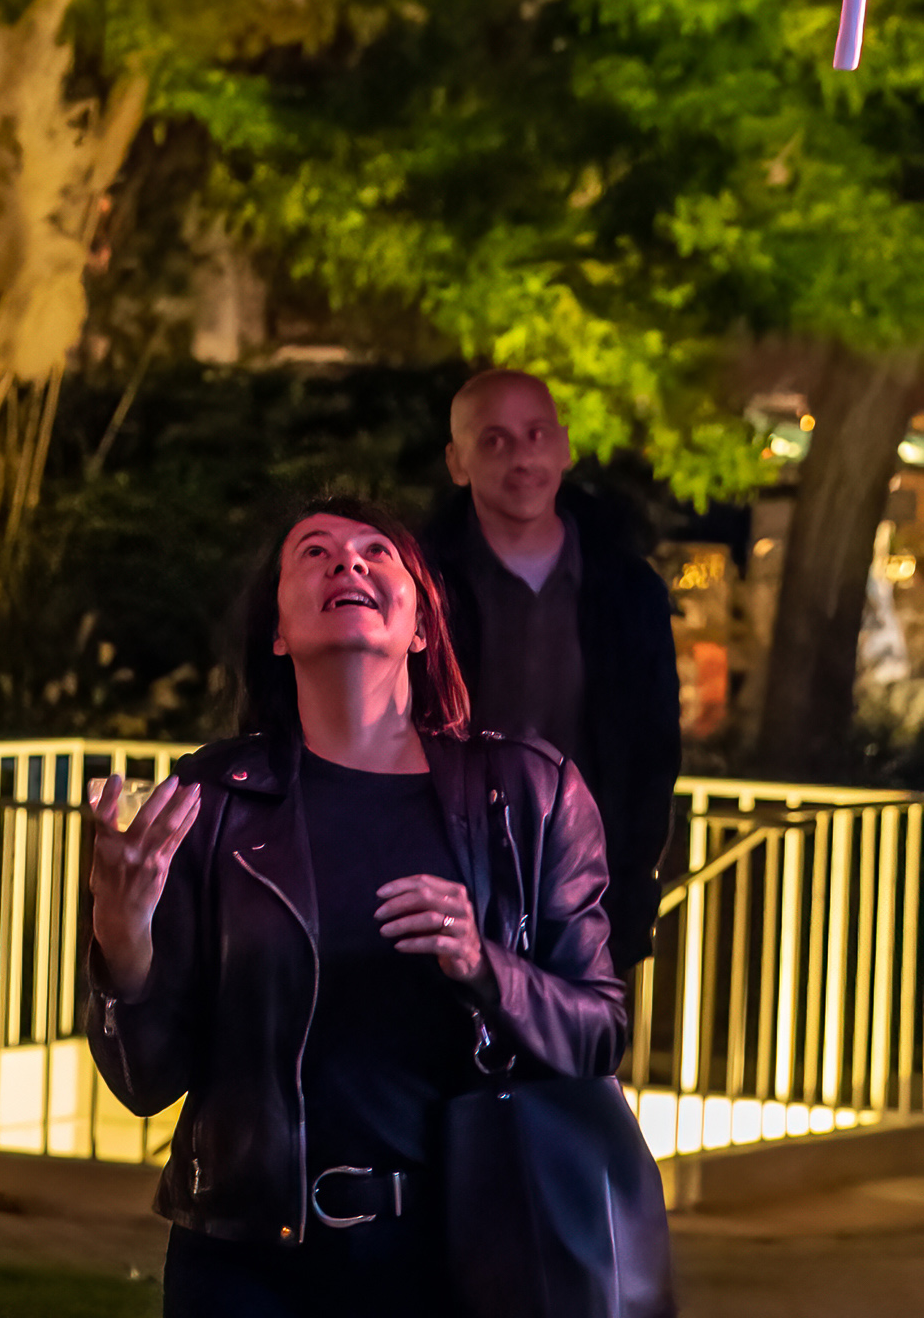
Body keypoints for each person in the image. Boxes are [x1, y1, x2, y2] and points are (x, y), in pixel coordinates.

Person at [86, 496, 626, 1318]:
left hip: (466, 1254)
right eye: (314, 552)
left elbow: (598, 1034)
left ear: (420, 623)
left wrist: (488, 968)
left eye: (378, 552)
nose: (349, 563)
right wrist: (122, 945)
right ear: (278, 631)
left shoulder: (526, 795)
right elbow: (146, 1082)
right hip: (246, 1266)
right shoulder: (214, 803)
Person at [421, 371, 681, 973]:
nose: (522, 456)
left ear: (564, 447)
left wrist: (634, 883)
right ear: (456, 462)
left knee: (578, 1065)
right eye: (494, 440)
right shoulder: (421, 587)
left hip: (589, 895)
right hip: (448, 887)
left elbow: (654, 751)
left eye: (537, 434)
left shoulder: (626, 591)